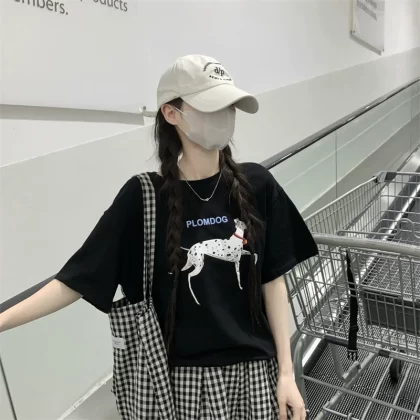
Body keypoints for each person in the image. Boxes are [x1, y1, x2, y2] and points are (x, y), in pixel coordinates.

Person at [0, 55, 317, 419]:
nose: (224, 116)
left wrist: (286, 372)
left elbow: (272, 281)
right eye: (211, 106)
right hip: (180, 387)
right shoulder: (144, 197)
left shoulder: (256, 184)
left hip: (256, 377)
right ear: (171, 113)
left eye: (229, 106)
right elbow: (77, 279)